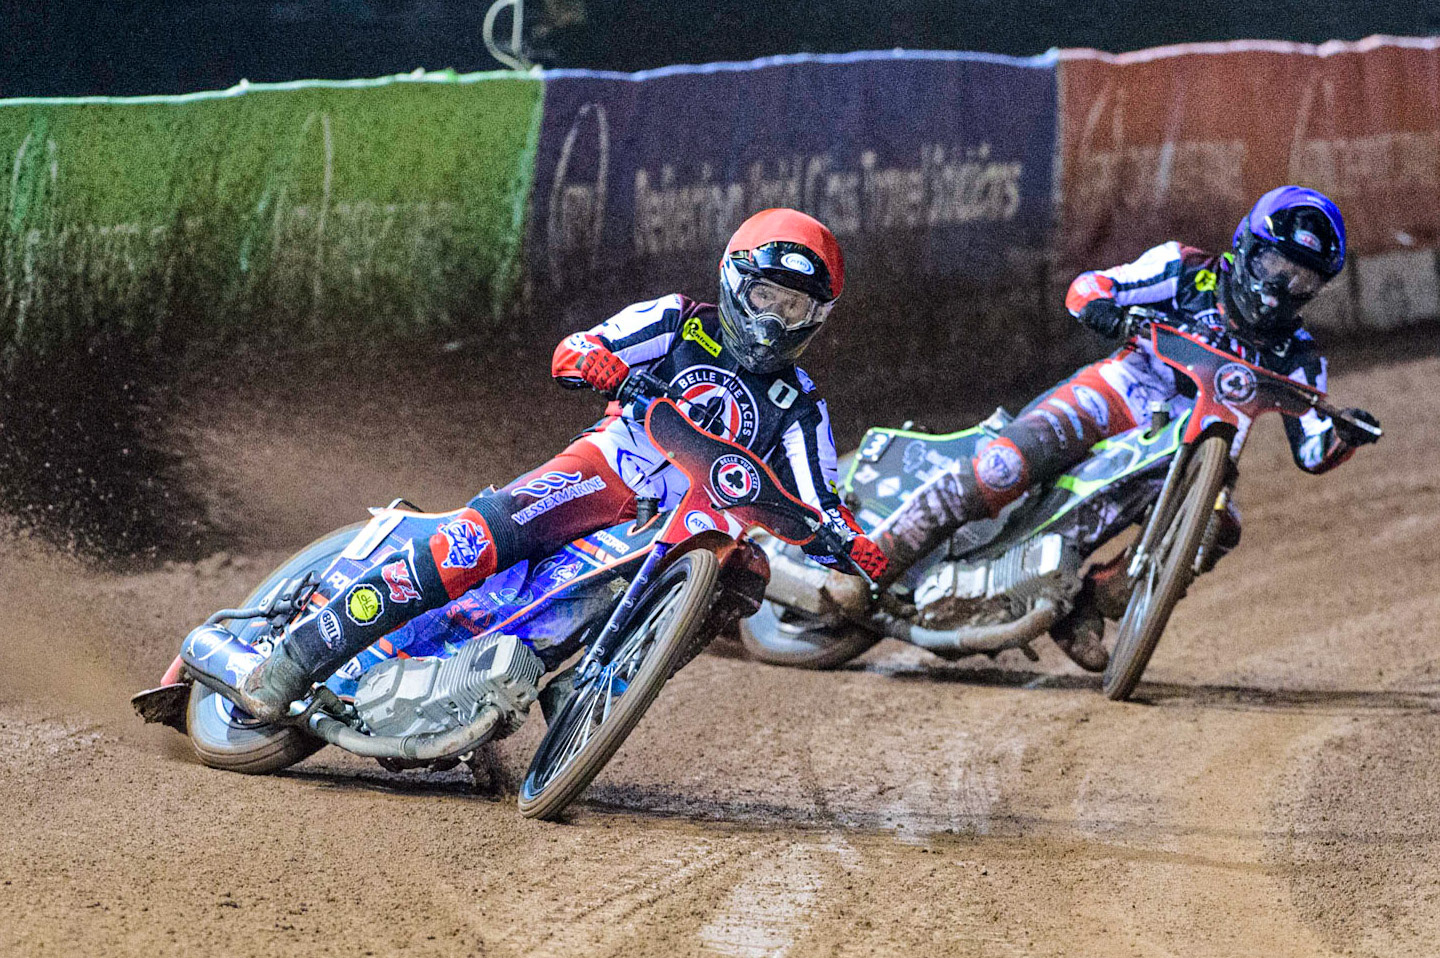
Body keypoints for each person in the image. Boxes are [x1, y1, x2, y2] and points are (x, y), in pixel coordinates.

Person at [208, 208, 888, 722]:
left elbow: (815, 496)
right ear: (736, 282)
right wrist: (598, 363)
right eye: (766, 295)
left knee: (741, 576)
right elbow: (580, 346)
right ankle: (296, 658)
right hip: (600, 473)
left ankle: (593, 684)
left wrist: (849, 540)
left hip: (672, 530)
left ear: (815, 317)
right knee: (469, 545)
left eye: (792, 305)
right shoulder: (682, 322)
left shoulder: (800, 407)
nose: (773, 318)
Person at [866, 186, 1381, 672]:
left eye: (1301, 281)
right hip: (1116, 394)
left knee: (1217, 526)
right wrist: (1112, 315)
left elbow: (1313, 448)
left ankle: (1088, 605)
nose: (1279, 291)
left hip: (1188, 454)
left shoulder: (1301, 357)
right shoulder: (1186, 269)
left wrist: (1347, 435)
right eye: (1275, 267)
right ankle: (874, 559)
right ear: (1247, 247)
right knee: (1005, 466)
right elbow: (1090, 288)